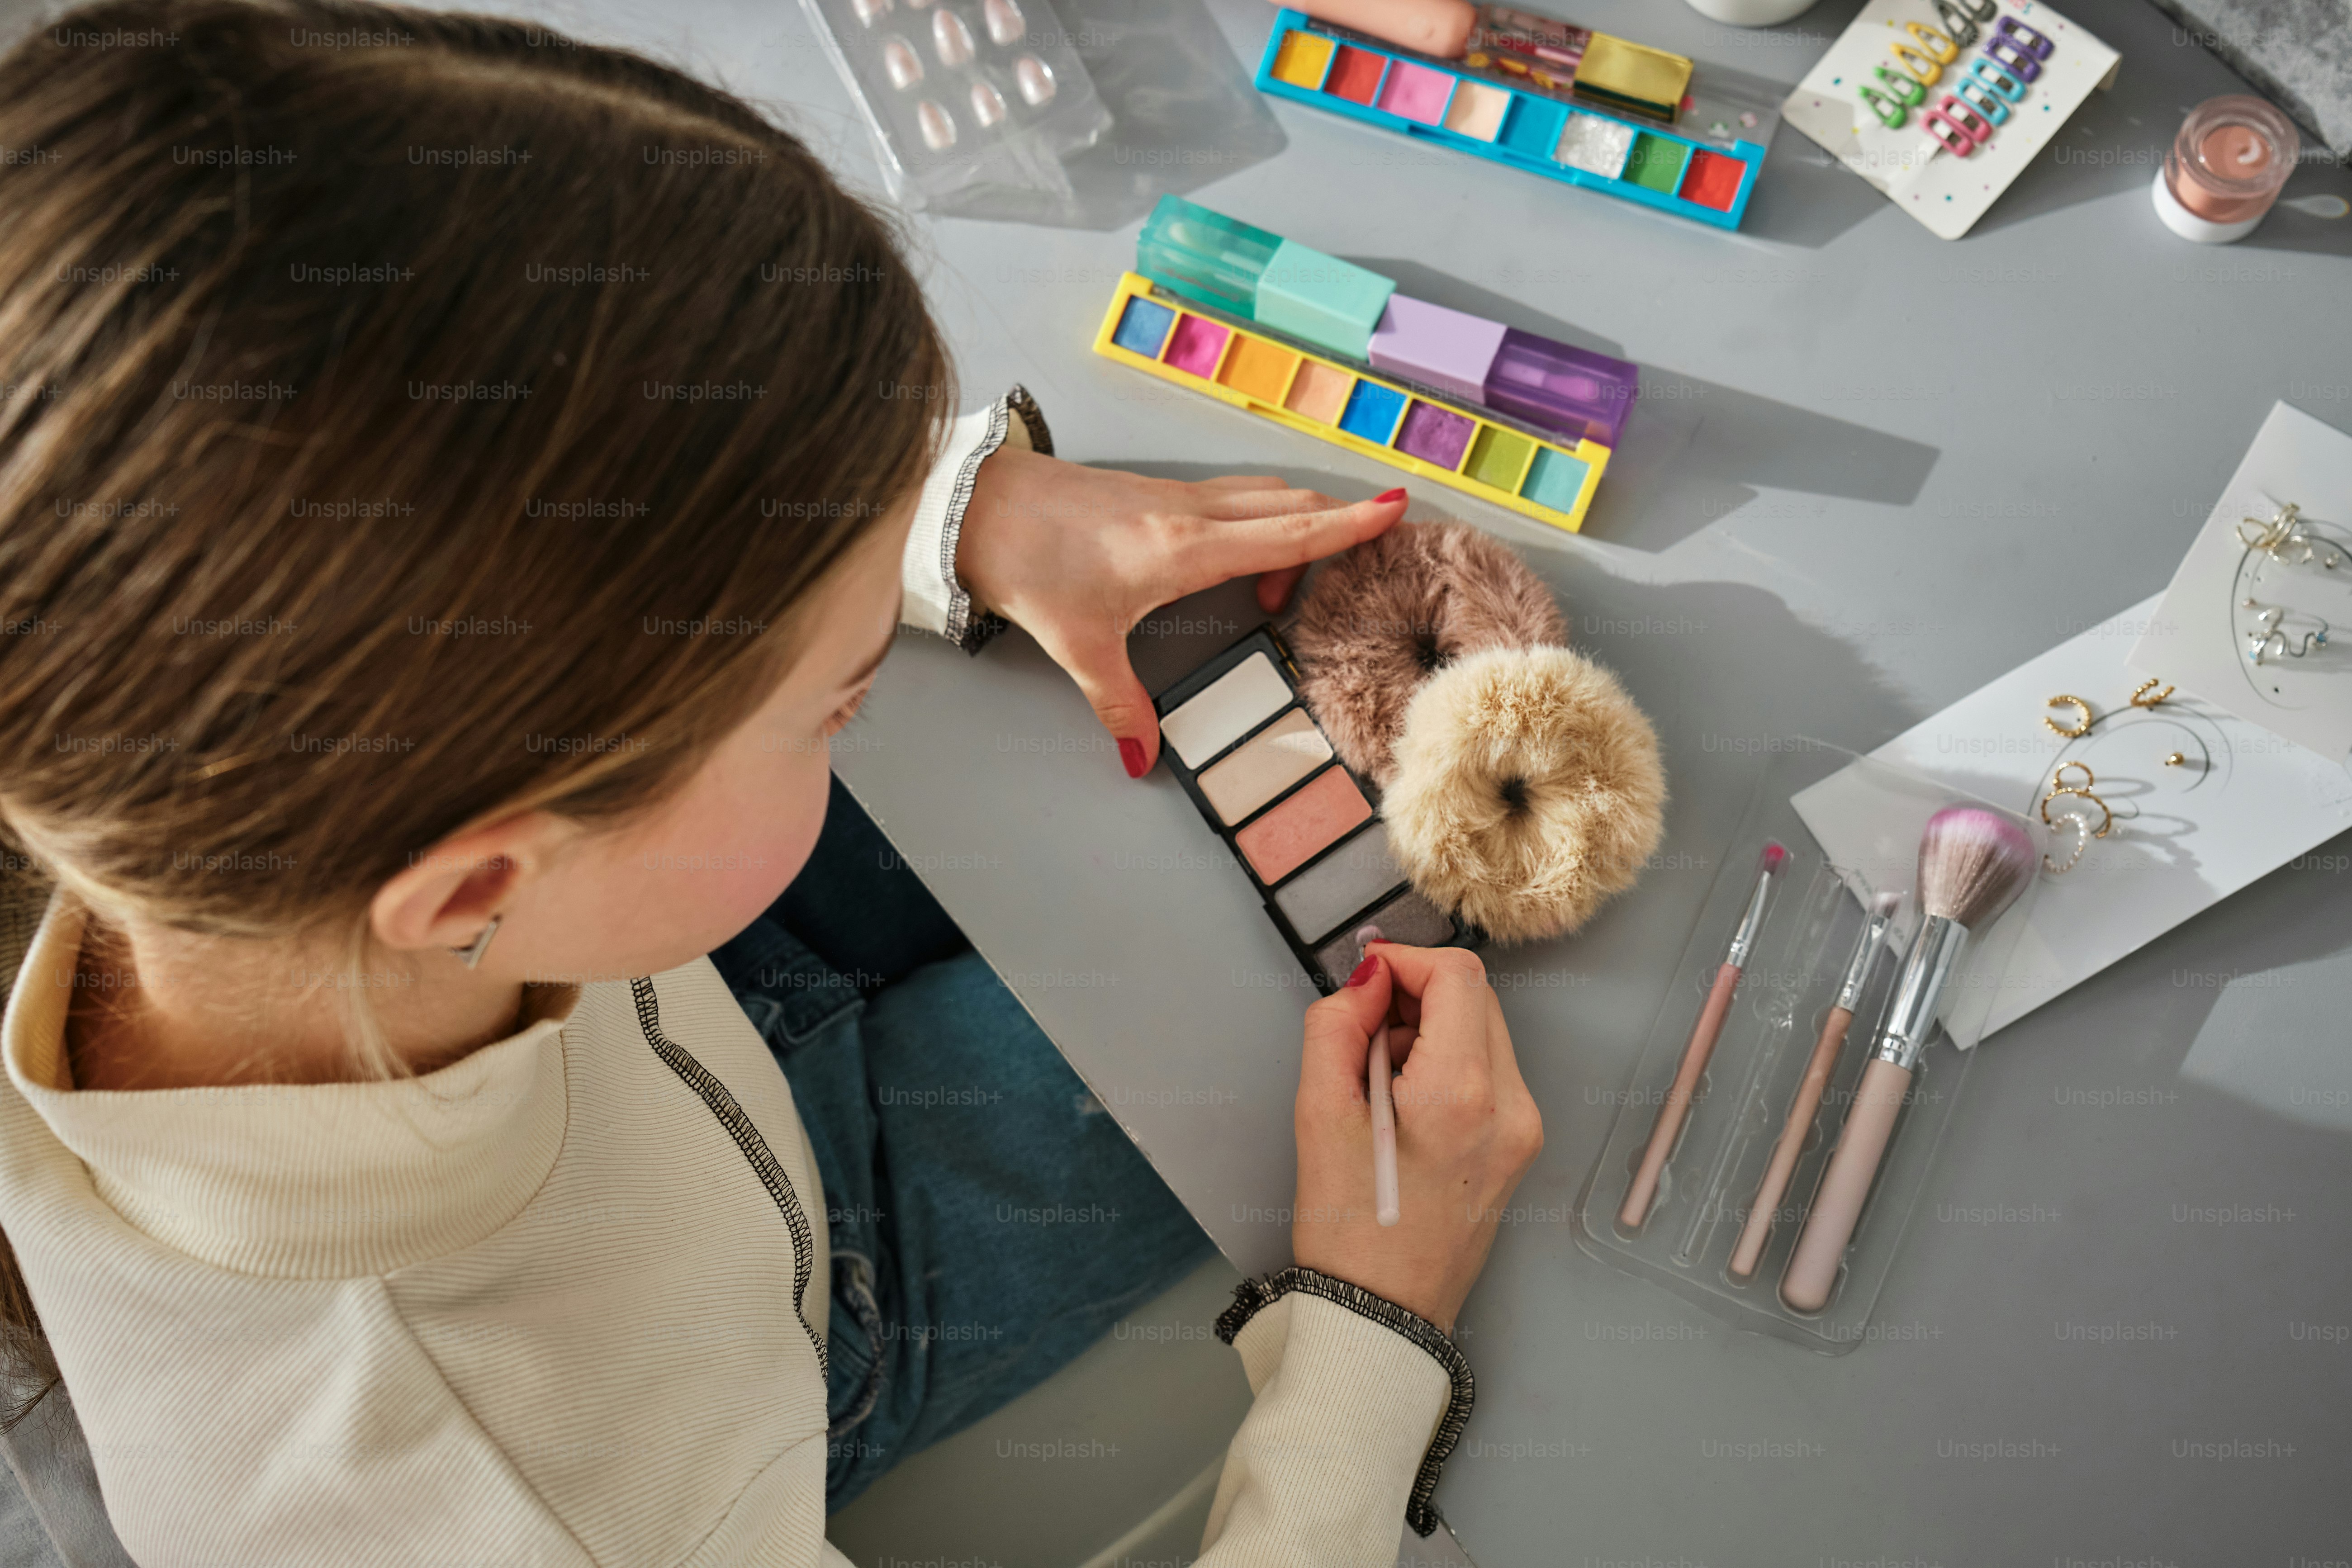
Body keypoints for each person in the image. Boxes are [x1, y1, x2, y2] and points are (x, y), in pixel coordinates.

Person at [0, 2, 1544, 1563]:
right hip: (788, 1332)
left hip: (672, 979)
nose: (871, 683)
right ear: (478, 881)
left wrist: (947, 511)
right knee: (1316, 1049)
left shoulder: (128, 653)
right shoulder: (520, 1505)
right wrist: (1367, 1333)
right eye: (835, 698)